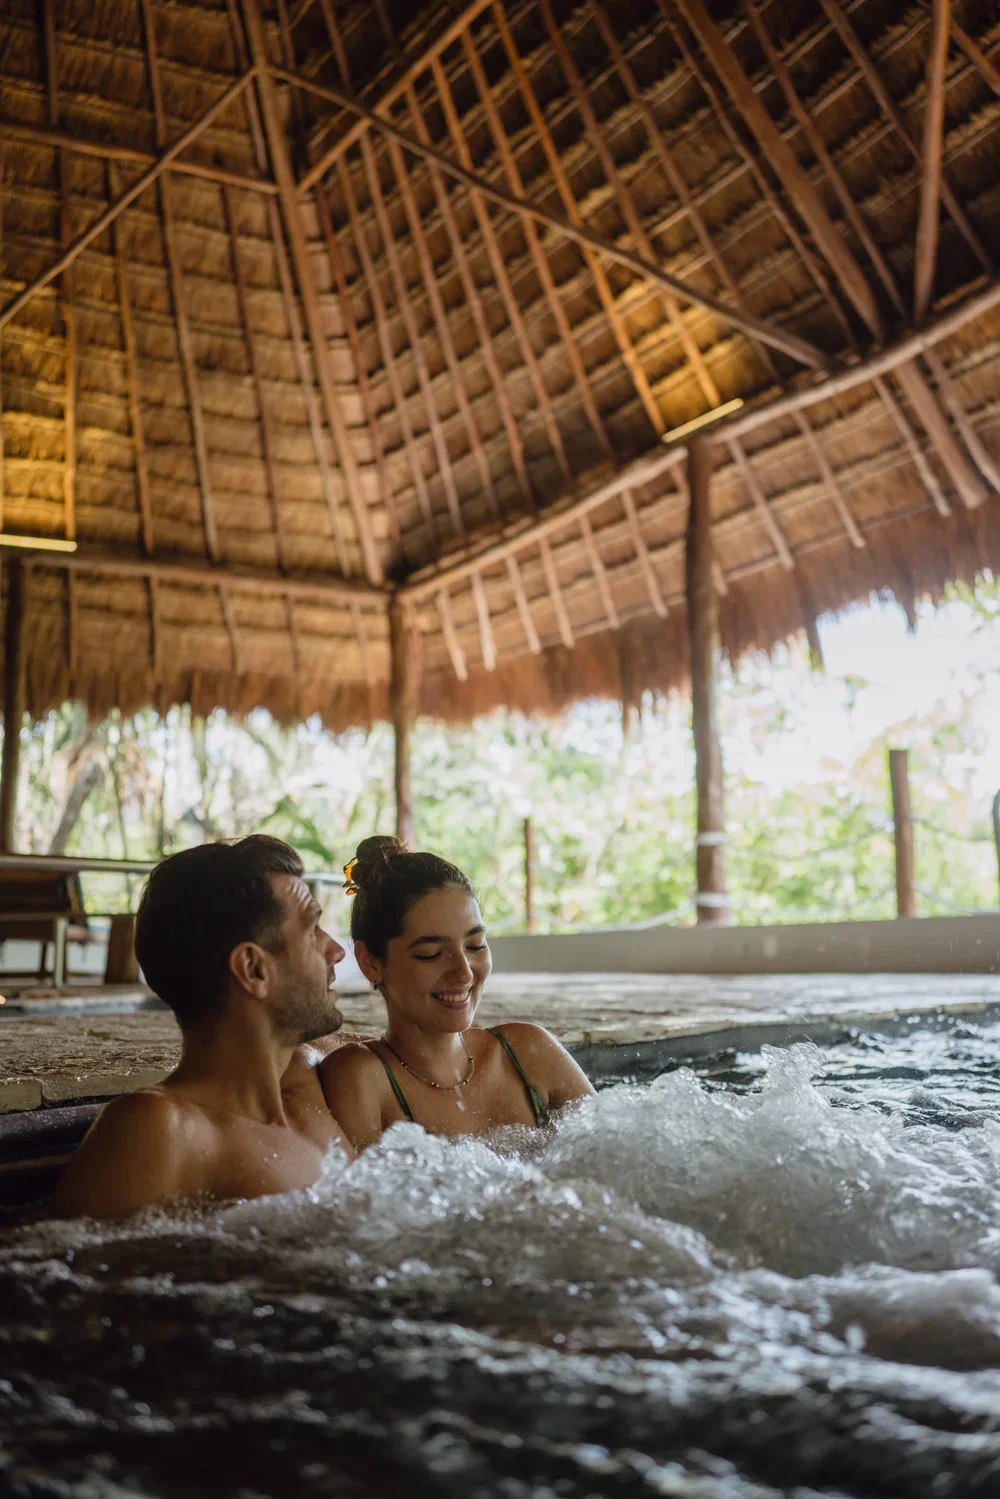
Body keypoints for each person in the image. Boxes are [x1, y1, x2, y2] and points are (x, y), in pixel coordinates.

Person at [52, 836, 353, 1219]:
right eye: (312, 931)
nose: (336, 951)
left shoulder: (312, 1112)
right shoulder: (157, 1128)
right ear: (254, 969)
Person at [318, 836, 594, 1151]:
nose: (463, 972)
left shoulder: (528, 1054)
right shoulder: (365, 1079)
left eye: (475, 946)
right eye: (431, 954)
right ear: (370, 962)